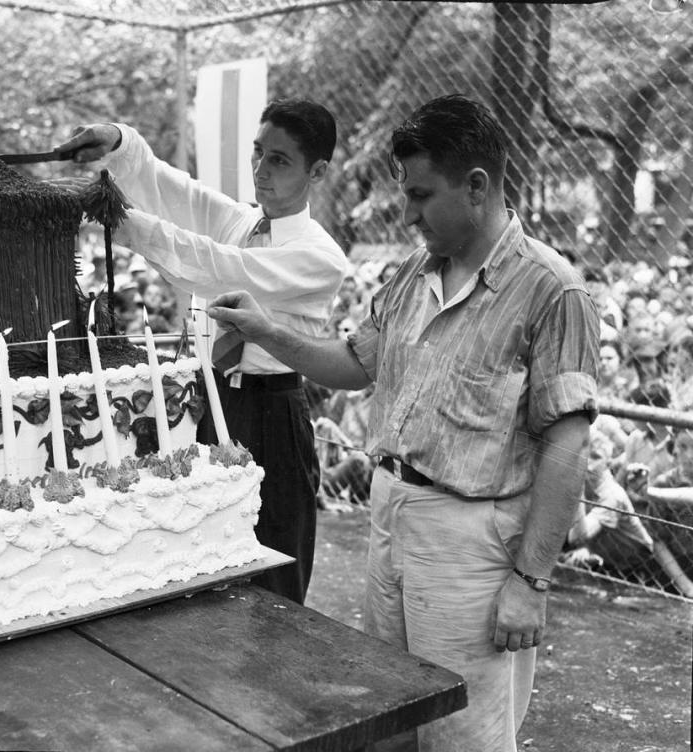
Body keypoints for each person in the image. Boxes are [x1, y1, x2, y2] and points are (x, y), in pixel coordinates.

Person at [206, 94, 600, 751]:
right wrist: (264, 329)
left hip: (469, 541)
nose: (409, 214)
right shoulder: (416, 272)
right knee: (389, 715)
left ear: (477, 186)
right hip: (389, 515)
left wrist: (532, 582)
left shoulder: (551, 292)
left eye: (421, 196)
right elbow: (355, 362)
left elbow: (567, 444)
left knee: (461, 733)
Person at [51, 99, 349, 603]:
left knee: (274, 565)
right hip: (212, 405)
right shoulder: (239, 221)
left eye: (279, 160)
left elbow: (221, 268)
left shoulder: (321, 259)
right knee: (204, 561)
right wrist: (120, 141)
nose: (260, 171)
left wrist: (120, 219)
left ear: (317, 171)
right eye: (258, 153)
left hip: (271, 412)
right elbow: (175, 189)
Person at [562, 430, 654, 575]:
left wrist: (577, 485)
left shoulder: (612, 495)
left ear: (608, 462)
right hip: (607, 557)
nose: (588, 464)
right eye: (583, 456)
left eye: (595, 457)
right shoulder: (581, 482)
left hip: (638, 567)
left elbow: (579, 535)